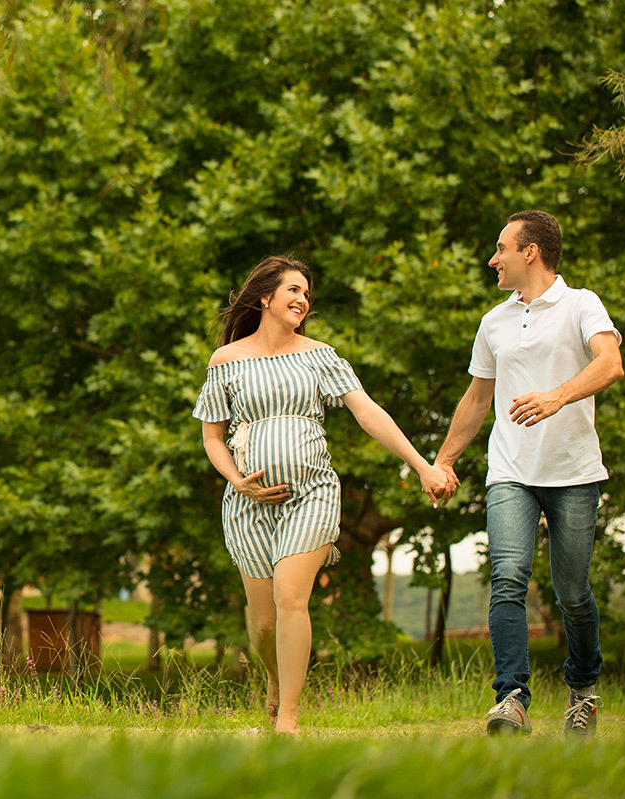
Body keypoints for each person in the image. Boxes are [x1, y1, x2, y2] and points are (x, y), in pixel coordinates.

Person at [193, 255, 450, 734]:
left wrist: (422, 465)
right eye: (294, 290)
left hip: (311, 493)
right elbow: (212, 436)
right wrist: (236, 480)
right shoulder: (226, 360)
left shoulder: (320, 356)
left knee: (291, 598)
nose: (303, 300)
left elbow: (368, 412)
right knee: (264, 624)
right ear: (265, 297)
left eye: (307, 294)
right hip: (248, 503)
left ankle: (288, 718)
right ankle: (275, 681)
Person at [433, 210, 624, 738]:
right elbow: (478, 399)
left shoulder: (581, 304)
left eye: (501, 248)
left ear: (530, 251)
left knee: (573, 593)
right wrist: (444, 460)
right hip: (510, 470)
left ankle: (582, 690)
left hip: (574, 472)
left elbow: (610, 363)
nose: (493, 259)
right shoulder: (493, 321)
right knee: (508, 577)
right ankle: (511, 699)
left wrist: (557, 396)